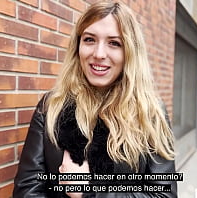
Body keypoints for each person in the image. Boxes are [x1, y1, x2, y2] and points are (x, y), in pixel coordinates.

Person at [13, 1, 177, 198]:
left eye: (114, 43)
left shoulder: (149, 112)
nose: (99, 54)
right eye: (89, 40)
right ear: (78, 46)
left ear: (130, 52)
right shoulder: (51, 106)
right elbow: (26, 189)